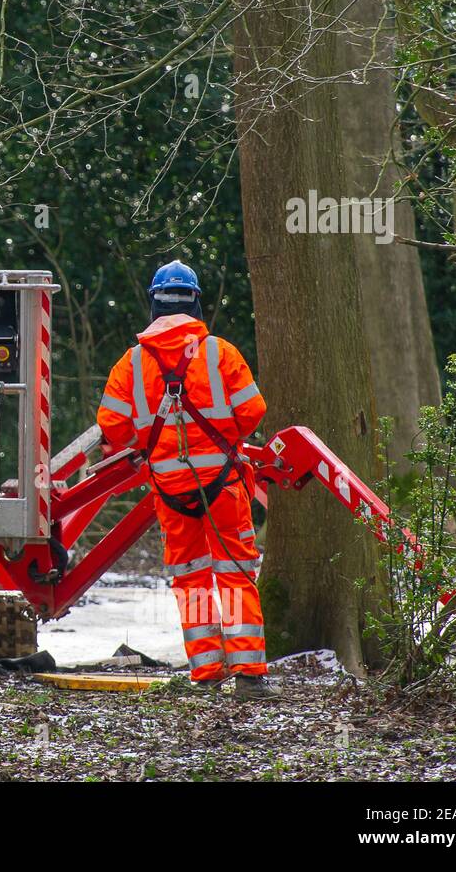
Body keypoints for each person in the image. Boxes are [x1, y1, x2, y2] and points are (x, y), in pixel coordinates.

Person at [97, 260, 280, 700]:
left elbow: (112, 427)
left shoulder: (131, 363)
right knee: (234, 572)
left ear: (153, 303)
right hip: (223, 487)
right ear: (196, 301)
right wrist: (223, 438)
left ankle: (206, 670)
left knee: (192, 577)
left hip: (171, 494)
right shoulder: (220, 352)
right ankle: (248, 672)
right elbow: (253, 411)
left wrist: (152, 442)